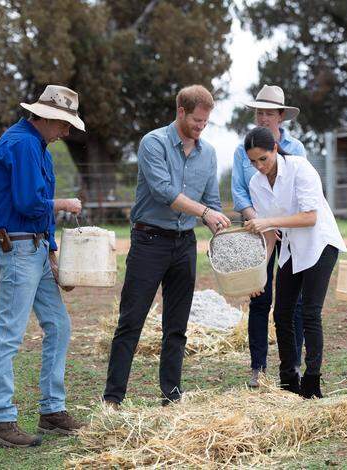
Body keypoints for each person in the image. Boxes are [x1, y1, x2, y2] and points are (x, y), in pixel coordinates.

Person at [103, 85, 231, 407]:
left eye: (206, 122)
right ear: (181, 112)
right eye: (197, 121)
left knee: (177, 326)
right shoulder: (153, 143)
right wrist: (204, 212)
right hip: (149, 241)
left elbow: (211, 201)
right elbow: (164, 192)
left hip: (184, 244)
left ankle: (171, 395)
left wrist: (220, 225)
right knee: (131, 321)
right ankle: (113, 398)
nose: (201, 127)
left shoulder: (209, 153)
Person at [0, 85, 85, 447]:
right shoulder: (24, 144)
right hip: (18, 247)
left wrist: (53, 253)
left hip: (35, 246)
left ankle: (52, 410)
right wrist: (65, 204)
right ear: (46, 117)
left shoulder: (36, 145)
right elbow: (29, 202)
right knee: (10, 331)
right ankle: (0, 419)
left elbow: (35, 209)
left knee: (58, 324)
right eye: (63, 124)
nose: (67, 133)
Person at [243, 126, 346, 398]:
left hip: (319, 244)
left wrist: (267, 221)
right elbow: (269, 236)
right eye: (253, 161)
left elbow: (309, 217)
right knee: (281, 313)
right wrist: (260, 275)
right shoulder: (256, 183)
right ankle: (289, 381)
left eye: (263, 159)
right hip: (291, 248)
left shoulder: (301, 168)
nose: (259, 166)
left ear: (275, 149)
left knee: (310, 313)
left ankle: (312, 382)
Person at [231, 85, 307, 388]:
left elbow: (301, 189)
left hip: (291, 231)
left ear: (280, 116)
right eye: (259, 112)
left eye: (268, 112)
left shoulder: (296, 148)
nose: (262, 117)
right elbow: (239, 190)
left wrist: (278, 221)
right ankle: (258, 368)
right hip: (256, 229)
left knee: (294, 301)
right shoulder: (242, 149)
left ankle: (294, 364)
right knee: (259, 296)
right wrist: (260, 222)